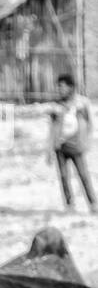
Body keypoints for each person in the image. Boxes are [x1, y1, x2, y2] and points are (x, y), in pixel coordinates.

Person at [47, 74, 96, 213]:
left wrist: (87, 141)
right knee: (64, 177)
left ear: (70, 87)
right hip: (60, 147)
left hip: (77, 146)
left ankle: (93, 203)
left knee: (83, 175)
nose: (59, 90)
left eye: (62, 87)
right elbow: (52, 128)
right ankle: (70, 205)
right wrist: (49, 149)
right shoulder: (56, 106)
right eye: (58, 87)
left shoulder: (81, 103)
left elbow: (90, 123)